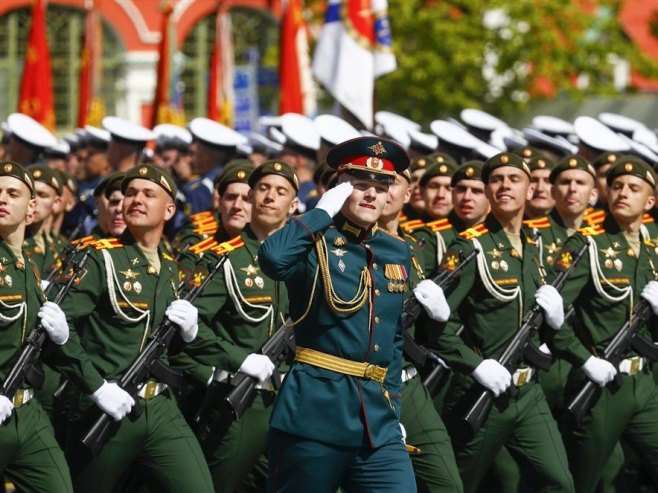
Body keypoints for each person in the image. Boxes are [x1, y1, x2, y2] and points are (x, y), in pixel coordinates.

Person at [260, 136, 416, 492]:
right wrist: (319, 213)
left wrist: (392, 408)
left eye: (382, 186)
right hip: (315, 414)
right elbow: (273, 259)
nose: (373, 194)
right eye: (361, 185)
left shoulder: (395, 251)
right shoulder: (315, 240)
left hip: (376, 420)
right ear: (340, 190)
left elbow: (391, 339)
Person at [46, 163, 213, 492]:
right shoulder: (98, 258)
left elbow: (169, 345)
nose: (136, 199)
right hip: (106, 406)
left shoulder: (170, 265)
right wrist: (96, 387)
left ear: (169, 209)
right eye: (132, 193)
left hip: (161, 407)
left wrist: (189, 335)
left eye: (148, 194)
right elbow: (56, 332)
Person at [433, 152, 575, 493]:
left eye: (514, 180)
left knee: (559, 483)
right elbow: (435, 327)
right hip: (482, 391)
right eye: (496, 180)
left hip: (529, 392)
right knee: (457, 485)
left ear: (529, 191)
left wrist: (553, 325)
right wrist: (476, 365)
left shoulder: (535, 247)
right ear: (487, 191)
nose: (504, 186)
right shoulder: (470, 248)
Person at [184, 160, 299, 492]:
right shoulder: (223, 258)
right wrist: (239, 359)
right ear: (251, 197)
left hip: (295, 401)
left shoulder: (307, 258)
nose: (269, 197)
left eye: (280, 192)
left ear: (293, 205)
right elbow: (191, 329)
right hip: (242, 403)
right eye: (262, 189)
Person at [550, 156, 658, 493]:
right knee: (583, 480)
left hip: (646, 383)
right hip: (602, 383)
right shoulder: (587, 244)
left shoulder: (655, 243)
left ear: (650, 201)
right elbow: (551, 318)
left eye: (633, 188)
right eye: (616, 186)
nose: (623, 192)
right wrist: (584, 359)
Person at [378, 169, 463, 492]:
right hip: (362, 385)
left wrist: (438, 317)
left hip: (409, 381)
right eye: (374, 185)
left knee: (447, 483)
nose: (383, 193)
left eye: (392, 184)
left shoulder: (414, 248)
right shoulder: (344, 247)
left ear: (409, 192)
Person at [0, 160, 73, 492]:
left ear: (31, 210)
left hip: (26, 409)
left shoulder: (26, 264)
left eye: (12, 193)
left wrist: (60, 338)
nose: (2, 198)